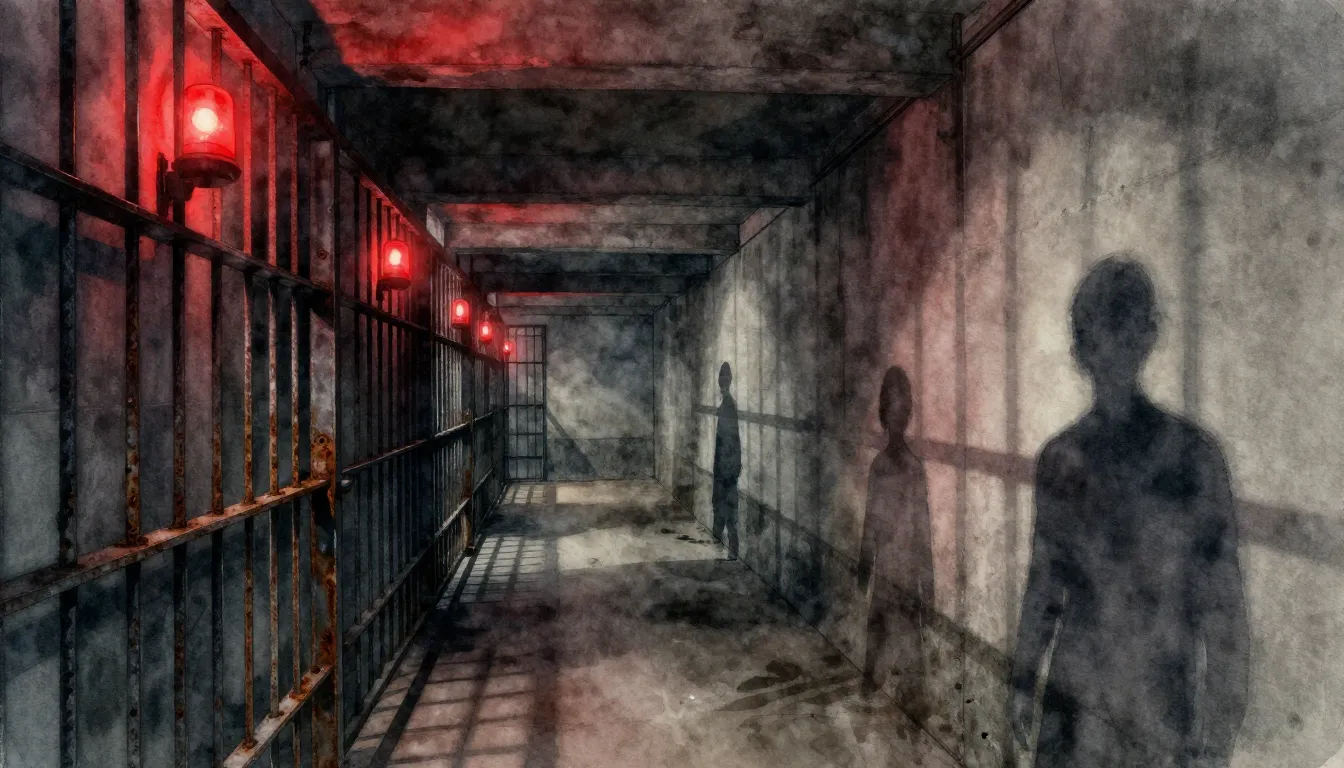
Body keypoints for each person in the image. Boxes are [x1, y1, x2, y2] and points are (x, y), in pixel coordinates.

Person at [1011, 257, 1249, 767]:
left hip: (1155, 712)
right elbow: (1045, 584)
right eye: (1102, 332)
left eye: (1126, 326)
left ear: (1148, 335)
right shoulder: (1061, 459)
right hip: (1080, 708)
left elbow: (1224, 607)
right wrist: (1022, 679)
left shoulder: (1195, 459)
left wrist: (1218, 730)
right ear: (1081, 350)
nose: (1115, 348)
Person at [857, 366, 933, 718]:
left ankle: (906, 696)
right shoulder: (881, 467)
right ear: (885, 414)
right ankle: (875, 686)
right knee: (880, 630)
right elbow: (871, 520)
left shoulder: (912, 469)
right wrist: (865, 562)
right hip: (889, 566)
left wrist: (927, 587)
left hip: (906, 569)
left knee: (907, 639)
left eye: (903, 410)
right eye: (893, 410)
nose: (898, 418)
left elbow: (923, 529)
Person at [712, 362, 741, 560]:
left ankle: (732, 548)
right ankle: (725, 543)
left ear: (728, 381)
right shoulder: (726, 403)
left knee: (728, 508)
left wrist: (730, 467)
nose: (722, 383)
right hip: (725, 465)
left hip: (727, 466)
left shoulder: (728, 405)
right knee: (723, 505)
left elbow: (730, 439)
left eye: (724, 379)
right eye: (721, 379)